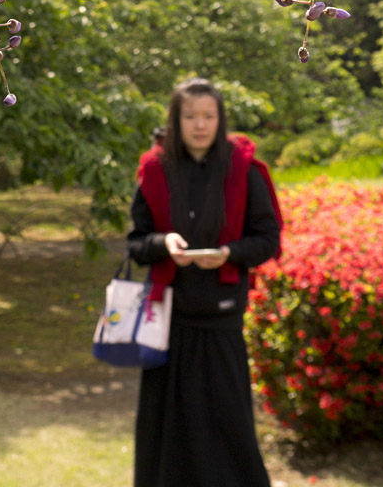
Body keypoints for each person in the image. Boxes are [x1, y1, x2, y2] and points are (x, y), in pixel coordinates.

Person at [127, 78, 282, 487]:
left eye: (208, 116)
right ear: (175, 120)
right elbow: (136, 243)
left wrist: (229, 253)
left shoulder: (243, 168)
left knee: (228, 427)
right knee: (167, 431)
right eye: (190, 116)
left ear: (220, 119)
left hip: (221, 320)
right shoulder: (156, 169)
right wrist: (164, 243)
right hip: (168, 321)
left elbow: (268, 240)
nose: (199, 125)